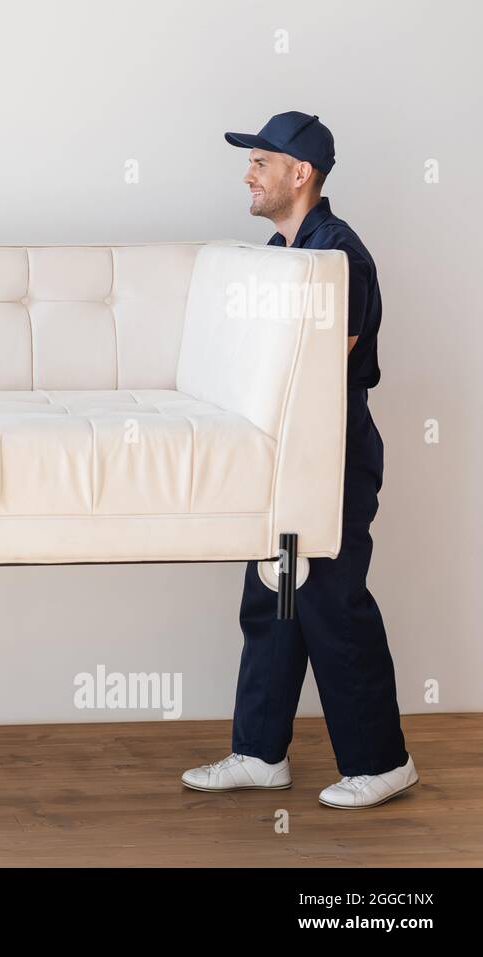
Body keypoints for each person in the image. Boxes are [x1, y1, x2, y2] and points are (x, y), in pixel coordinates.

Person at [182, 112, 417, 809]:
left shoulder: (336, 258)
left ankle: (382, 761)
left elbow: (307, 365)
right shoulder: (278, 254)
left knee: (330, 598)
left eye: (260, 161)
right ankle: (259, 752)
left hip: (332, 452)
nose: (248, 174)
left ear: (300, 173)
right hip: (283, 449)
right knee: (273, 595)